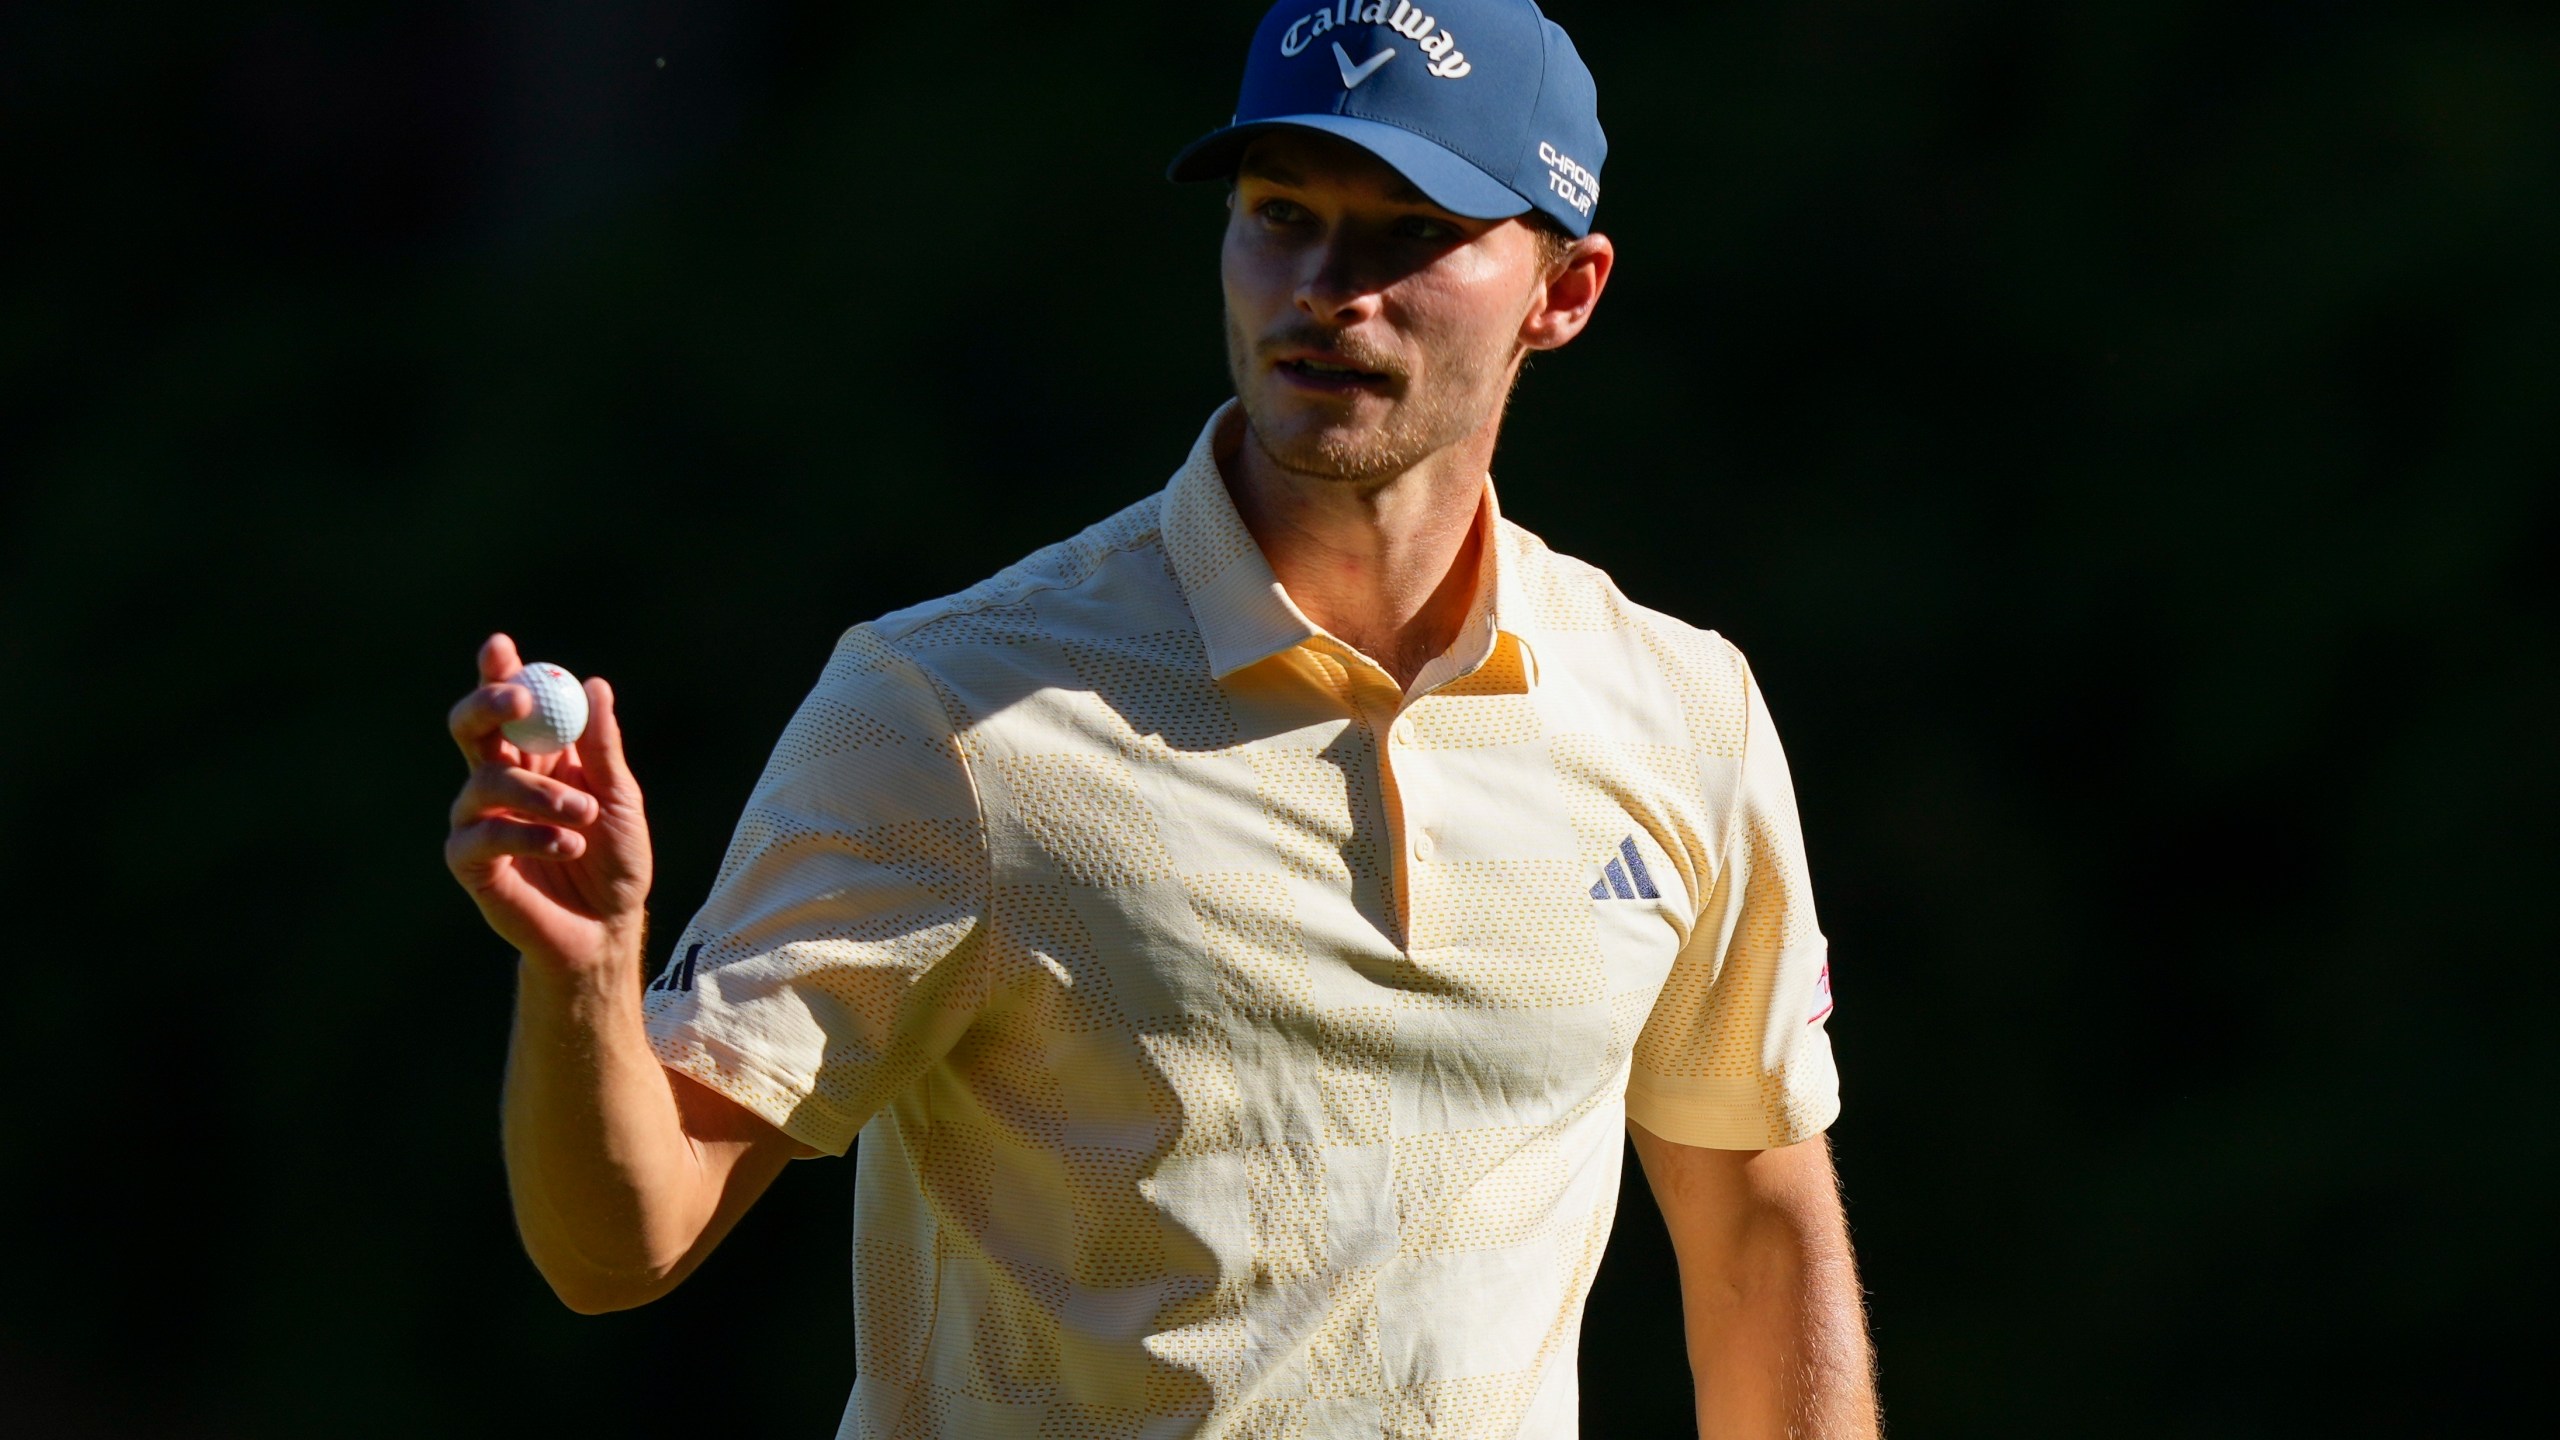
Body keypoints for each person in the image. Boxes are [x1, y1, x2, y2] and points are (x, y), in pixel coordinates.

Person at [443, 1, 1879, 1434]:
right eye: (1279, 214)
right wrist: (583, 979)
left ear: (1563, 293)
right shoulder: (948, 706)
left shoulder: (1681, 712)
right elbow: (615, 1250)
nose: (1325, 286)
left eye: (1406, 234)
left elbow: (1757, 1224)